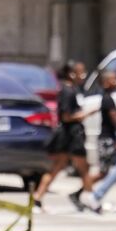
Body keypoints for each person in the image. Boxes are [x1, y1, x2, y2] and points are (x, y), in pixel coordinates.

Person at [76, 68, 116, 213]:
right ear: (106, 83)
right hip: (107, 139)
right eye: (113, 79)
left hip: (109, 137)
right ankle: (82, 193)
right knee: (107, 172)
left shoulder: (108, 98)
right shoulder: (108, 99)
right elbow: (115, 120)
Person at [31, 61, 88, 209]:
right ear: (71, 73)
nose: (83, 76)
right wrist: (83, 115)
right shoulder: (68, 91)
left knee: (58, 167)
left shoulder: (71, 90)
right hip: (71, 135)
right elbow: (66, 116)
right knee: (83, 168)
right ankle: (93, 197)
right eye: (80, 72)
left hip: (69, 135)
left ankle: (38, 196)